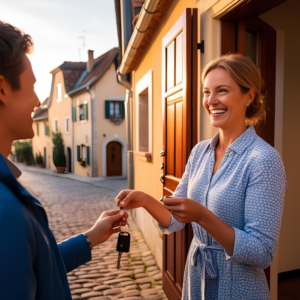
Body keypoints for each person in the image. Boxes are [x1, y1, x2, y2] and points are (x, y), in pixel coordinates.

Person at [115, 54, 287, 300]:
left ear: (249, 96)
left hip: (238, 287)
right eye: (207, 92)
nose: (211, 100)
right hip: (196, 277)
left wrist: (203, 216)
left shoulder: (264, 160)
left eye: (222, 90)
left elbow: (262, 252)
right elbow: (174, 219)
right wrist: (144, 200)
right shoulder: (200, 152)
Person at [0, 21, 128, 299]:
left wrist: (91, 237)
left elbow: (39, 266)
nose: (38, 100)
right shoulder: (4, 210)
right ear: (2, 89)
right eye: (32, 87)